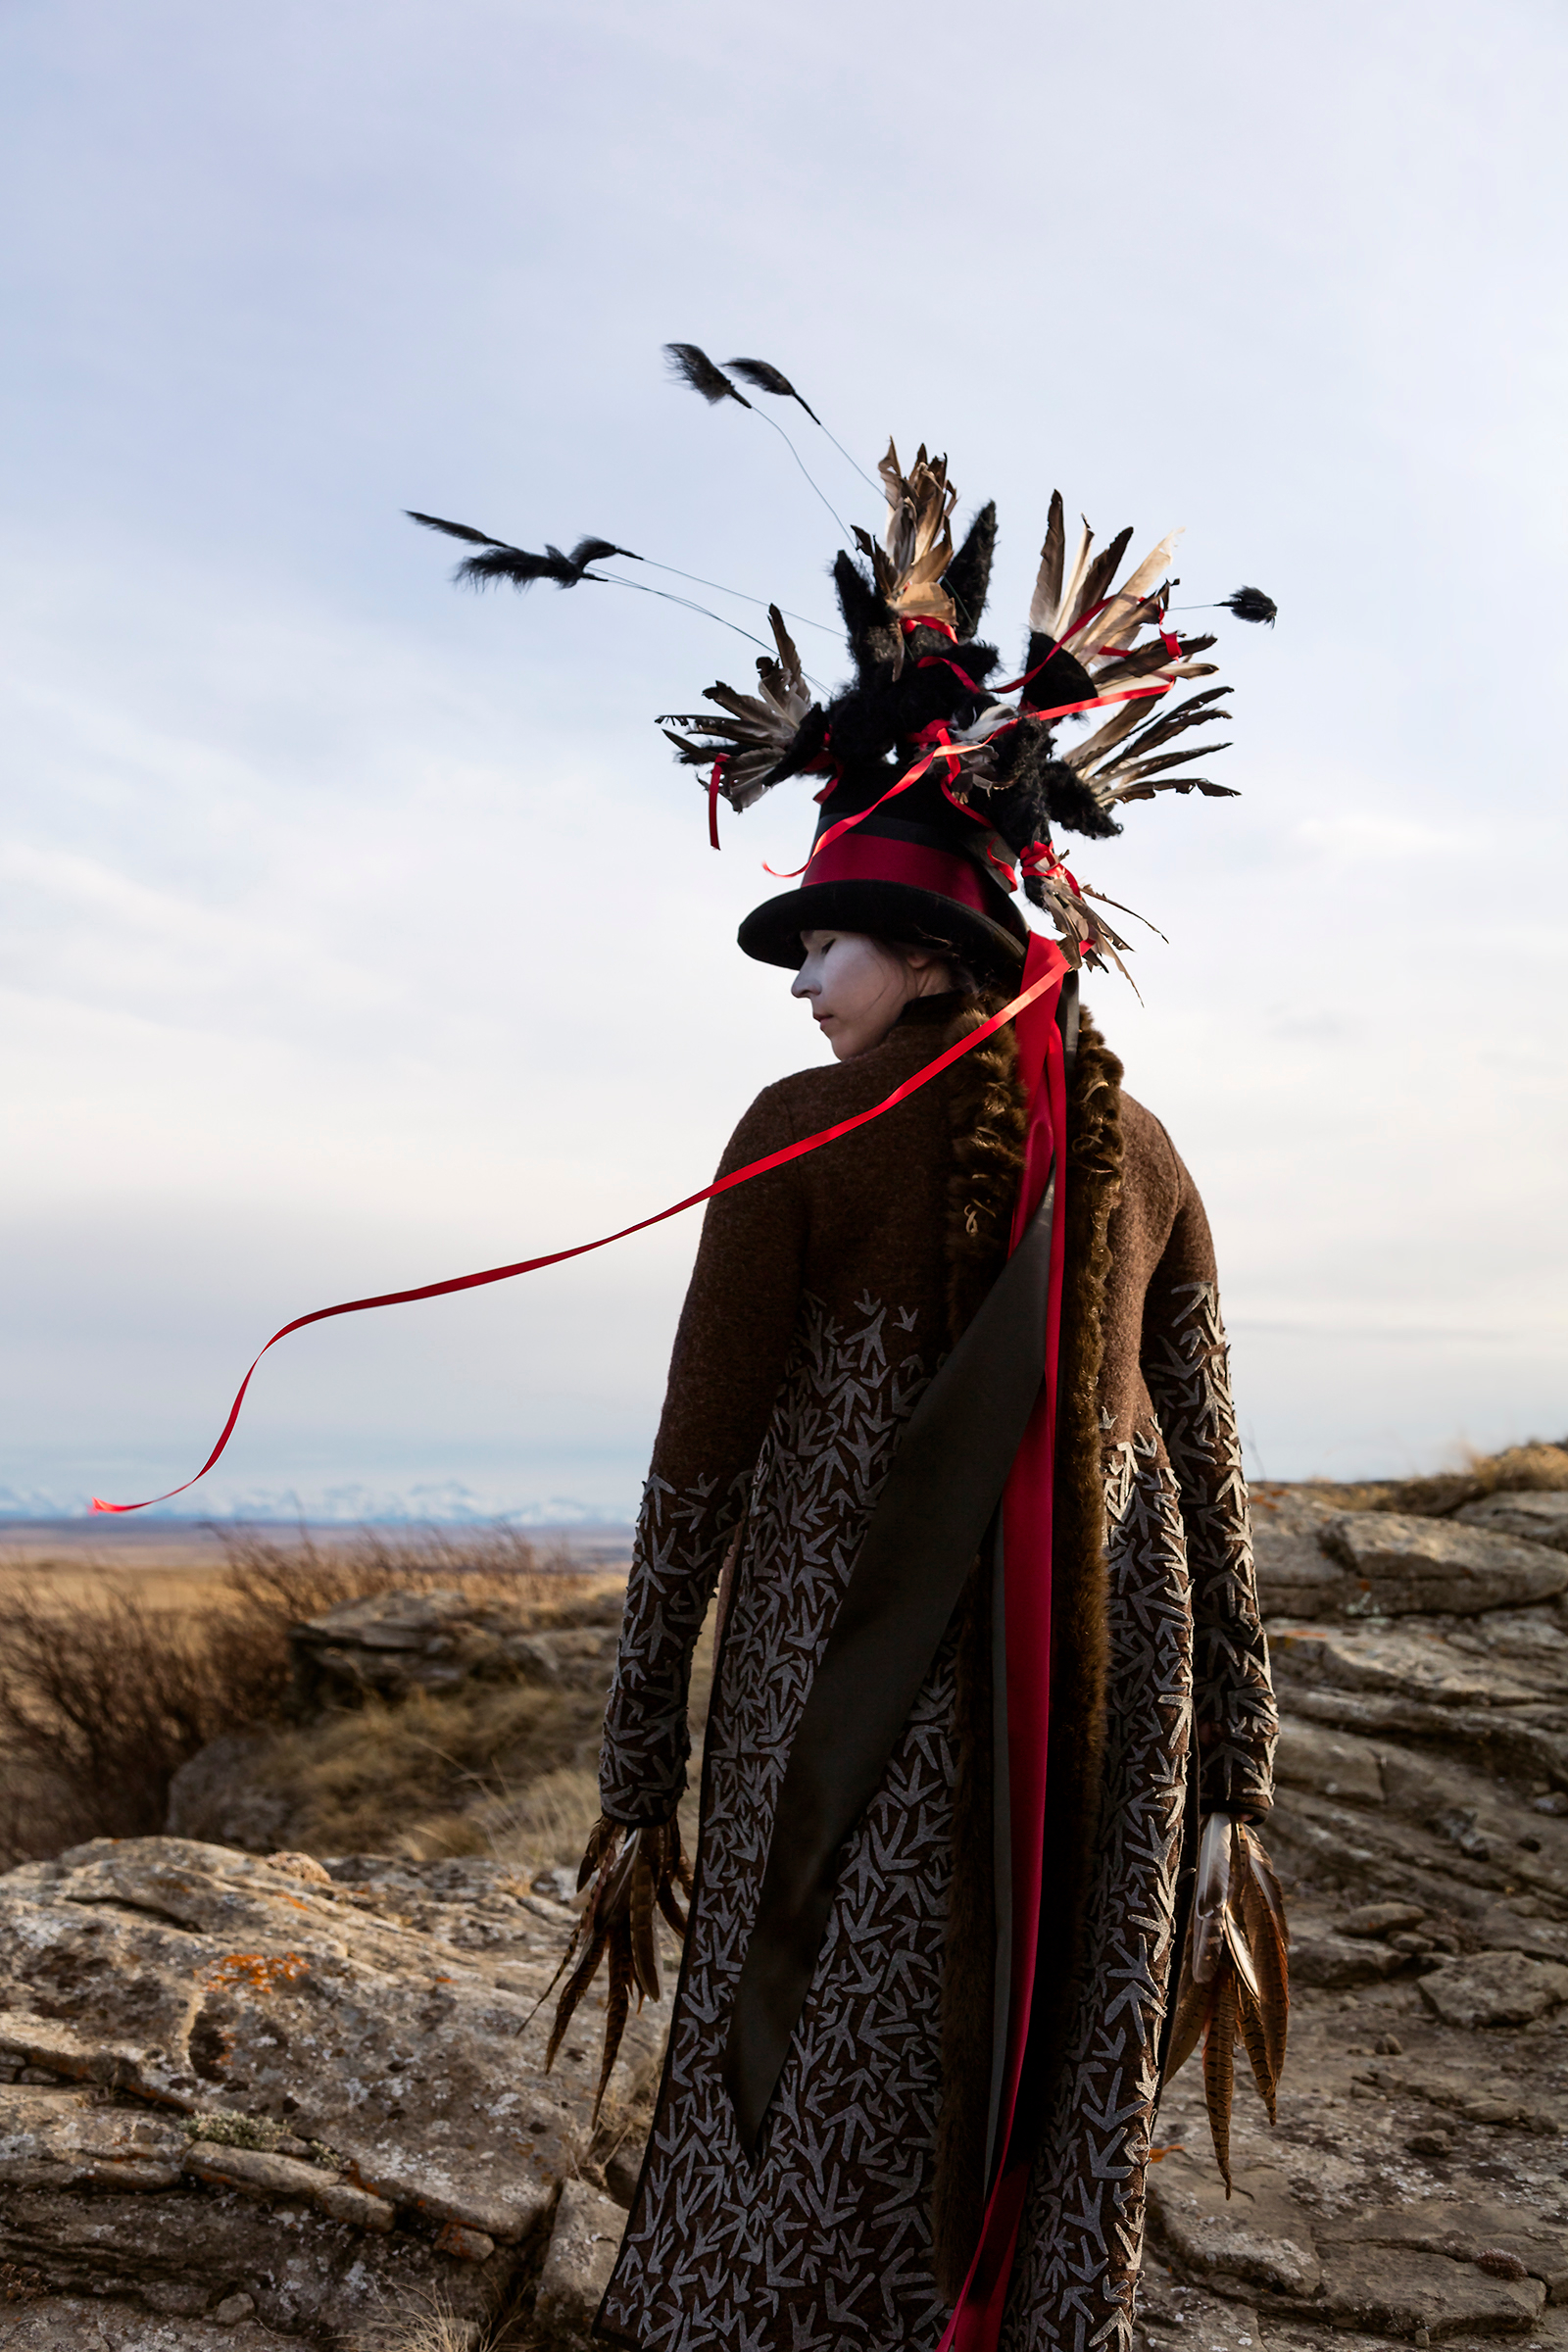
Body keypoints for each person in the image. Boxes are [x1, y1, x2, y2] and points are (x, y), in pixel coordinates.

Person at [557, 444, 1280, 2352]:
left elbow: (692, 1487)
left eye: (823, 936)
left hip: (841, 1751)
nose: (800, 979)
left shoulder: (798, 1136)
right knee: (1029, 2128)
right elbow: (1211, 1501)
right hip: (1099, 1755)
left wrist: (636, 1783)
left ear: (933, 937)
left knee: (791, 2157)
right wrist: (1232, 1789)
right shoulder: (1153, 1154)